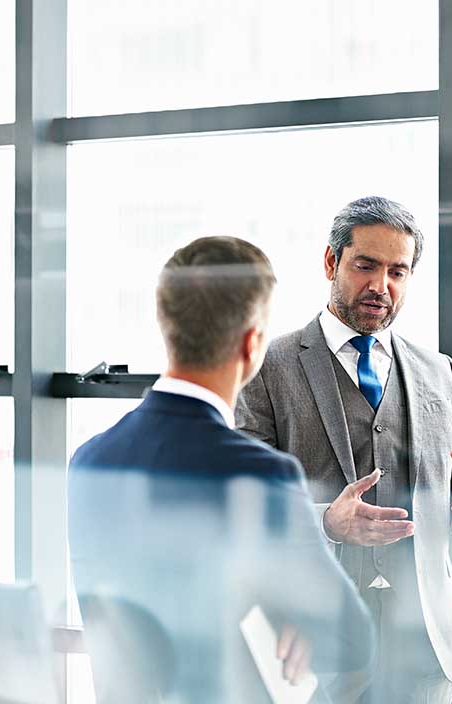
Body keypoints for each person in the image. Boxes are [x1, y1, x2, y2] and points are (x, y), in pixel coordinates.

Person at [68, 236, 375, 704]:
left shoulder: (90, 460)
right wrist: (297, 623)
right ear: (253, 344)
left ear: (166, 325)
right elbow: (352, 637)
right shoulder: (255, 473)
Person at [236, 196, 452, 704]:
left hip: (423, 645)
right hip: (313, 641)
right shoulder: (268, 366)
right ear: (330, 262)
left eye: (397, 272)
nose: (380, 286)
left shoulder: (438, 372)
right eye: (366, 265)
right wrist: (326, 522)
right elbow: (244, 506)